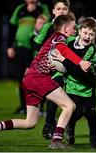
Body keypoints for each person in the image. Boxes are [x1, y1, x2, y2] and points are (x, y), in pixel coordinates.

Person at [0, 15, 91, 149]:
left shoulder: (52, 39)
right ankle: (56, 141)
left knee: (30, 122)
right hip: (38, 78)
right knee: (69, 106)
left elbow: (48, 56)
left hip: (29, 78)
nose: (75, 28)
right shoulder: (60, 38)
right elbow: (63, 50)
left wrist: (53, 66)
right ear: (64, 29)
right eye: (73, 26)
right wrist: (80, 61)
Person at [52, 17, 96, 148]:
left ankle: (94, 142)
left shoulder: (92, 50)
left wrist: (63, 59)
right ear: (79, 31)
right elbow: (62, 57)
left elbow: (80, 70)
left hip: (88, 87)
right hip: (72, 86)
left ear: (95, 36)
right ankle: (70, 128)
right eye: (85, 33)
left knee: (90, 114)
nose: (87, 36)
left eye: (91, 34)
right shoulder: (69, 42)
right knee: (76, 112)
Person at [32, 0, 72, 139]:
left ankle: (67, 127)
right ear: (53, 11)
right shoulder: (49, 26)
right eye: (59, 8)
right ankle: (49, 125)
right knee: (55, 95)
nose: (61, 11)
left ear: (69, 11)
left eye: (64, 8)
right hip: (54, 69)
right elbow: (37, 44)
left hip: (70, 67)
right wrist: (49, 58)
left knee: (73, 100)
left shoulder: (75, 28)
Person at [7, 0, 50, 114]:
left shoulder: (42, 9)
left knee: (38, 80)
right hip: (20, 47)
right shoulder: (20, 9)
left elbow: (47, 23)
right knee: (22, 79)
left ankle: (39, 107)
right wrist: (10, 46)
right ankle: (23, 106)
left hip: (33, 49)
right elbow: (12, 27)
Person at [29, 14, 48, 116]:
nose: (41, 26)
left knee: (43, 87)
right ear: (35, 25)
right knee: (35, 89)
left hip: (44, 65)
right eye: (39, 23)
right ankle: (34, 109)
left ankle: (42, 109)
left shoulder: (46, 36)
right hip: (34, 65)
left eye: (43, 24)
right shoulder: (32, 36)